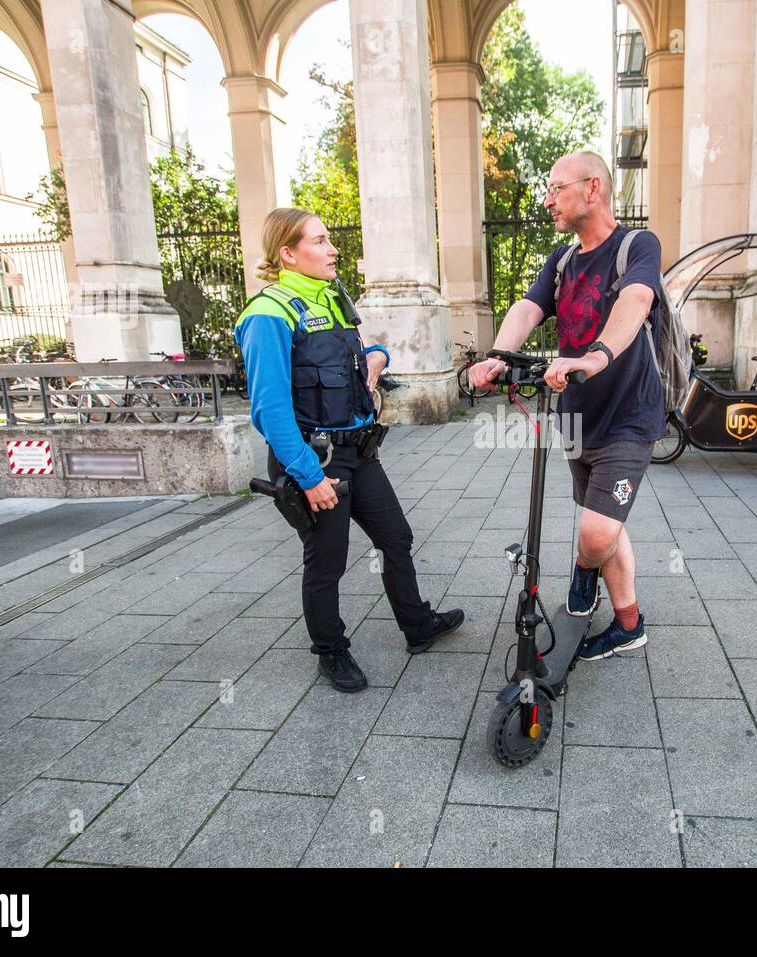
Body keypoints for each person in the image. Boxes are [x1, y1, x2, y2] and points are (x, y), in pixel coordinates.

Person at [234, 208, 464, 692]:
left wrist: (377, 358)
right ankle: (331, 651)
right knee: (327, 561)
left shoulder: (334, 299)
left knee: (396, 538)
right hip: (315, 460)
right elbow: (270, 410)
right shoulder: (268, 313)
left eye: (328, 240)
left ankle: (417, 626)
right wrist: (308, 477)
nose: (333, 248)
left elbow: (363, 350)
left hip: (360, 450)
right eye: (319, 241)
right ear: (288, 253)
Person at [469, 152, 664, 661]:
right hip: (577, 416)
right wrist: (496, 358)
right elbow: (528, 308)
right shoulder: (561, 260)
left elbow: (636, 300)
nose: (548, 199)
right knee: (602, 518)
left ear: (592, 188)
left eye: (557, 188)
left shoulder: (636, 244)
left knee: (596, 534)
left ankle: (583, 574)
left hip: (628, 414)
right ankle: (628, 624)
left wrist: (597, 354)